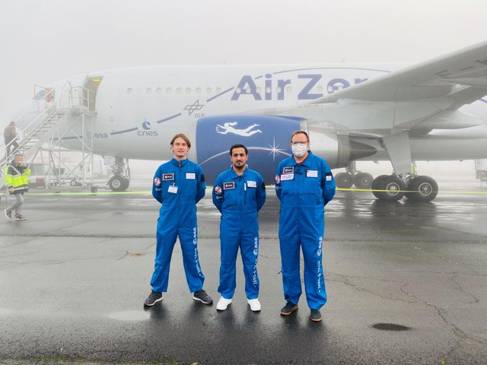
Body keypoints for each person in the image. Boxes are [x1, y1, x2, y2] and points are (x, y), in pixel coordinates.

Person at [144, 133, 213, 307]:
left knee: (192, 255)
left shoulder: (196, 170)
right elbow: (157, 192)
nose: (180, 147)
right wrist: (170, 204)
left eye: (184, 144)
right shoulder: (163, 169)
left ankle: (197, 289)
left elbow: (199, 192)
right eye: (177, 144)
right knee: (162, 255)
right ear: (172, 147)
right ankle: (156, 291)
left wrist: (186, 204)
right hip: (168, 219)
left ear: (188, 148)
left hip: (188, 220)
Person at [275, 130, 336, 322]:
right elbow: (279, 191)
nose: (298, 145)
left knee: (313, 262)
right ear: (290, 144)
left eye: (301, 142)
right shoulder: (283, 166)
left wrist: (315, 207)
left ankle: (315, 304)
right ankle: (291, 300)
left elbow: (329, 191)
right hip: (288, 223)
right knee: (289, 264)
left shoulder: (320, 165)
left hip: (312, 223)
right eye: (295, 142)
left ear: (308, 144)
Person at [212, 144, 266, 312]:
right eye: (235, 155)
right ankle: (226, 295)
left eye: (242, 154)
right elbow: (217, 199)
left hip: (249, 226)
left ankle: (253, 296)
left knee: (250, 262)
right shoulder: (222, 178)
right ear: (231, 158)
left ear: (247, 156)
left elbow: (261, 199)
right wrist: (229, 213)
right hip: (229, 225)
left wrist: (249, 212)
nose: (239, 158)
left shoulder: (256, 177)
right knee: (227, 261)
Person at [3, 153, 31, 221]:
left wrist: (26, 168)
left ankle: (18, 215)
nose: (20, 160)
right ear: (15, 159)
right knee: (20, 200)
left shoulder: (22, 166)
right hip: (14, 187)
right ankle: (8, 210)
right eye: (19, 159)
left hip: (22, 186)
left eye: (21, 159)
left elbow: (27, 174)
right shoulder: (10, 167)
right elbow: (8, 177)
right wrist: (10, 186)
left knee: (20, 202)